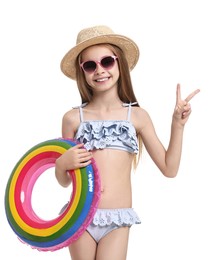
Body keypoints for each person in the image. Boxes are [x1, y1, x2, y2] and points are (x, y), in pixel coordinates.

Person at [55, 25, 200, 260]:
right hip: (80, 213)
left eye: (106, 62)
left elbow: (169, 169)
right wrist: (62, 165)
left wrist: (177, 125)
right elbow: (63, 182)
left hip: (117, 219)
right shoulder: (72, 119)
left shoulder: (138, 116)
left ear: (119, 63)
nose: (99, 70)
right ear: (82, 72)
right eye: (90, 65)